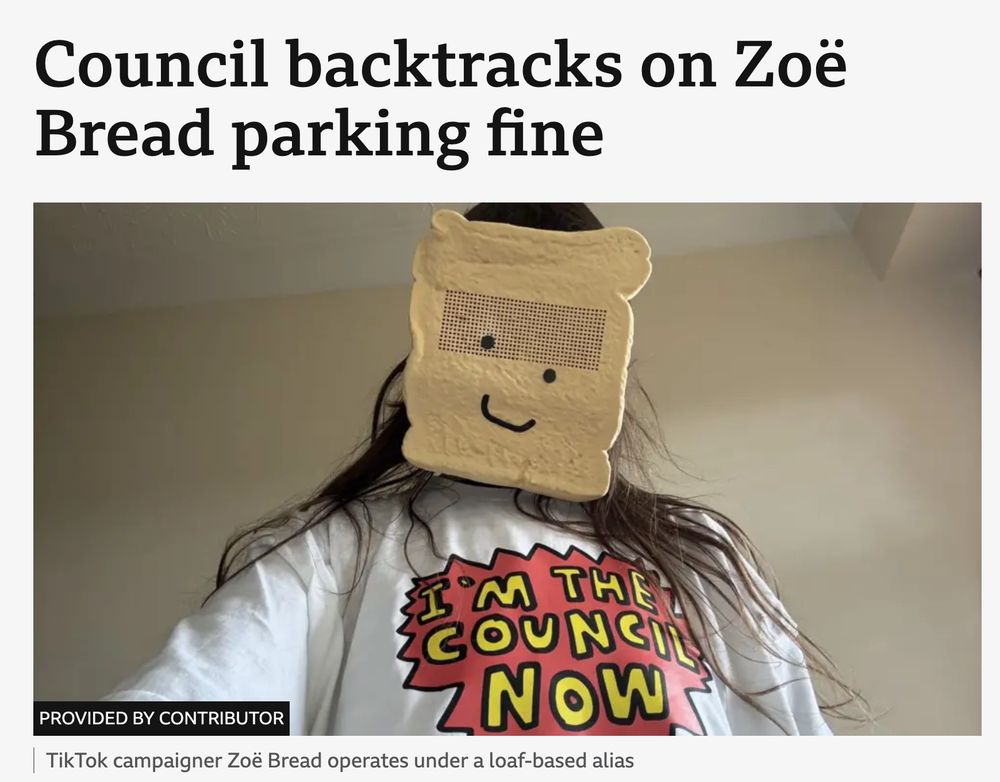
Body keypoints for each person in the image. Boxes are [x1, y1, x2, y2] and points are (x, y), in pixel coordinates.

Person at [106, 203, 862, 735]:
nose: (517, 380)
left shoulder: (697, 549)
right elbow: (193, 699)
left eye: (561, 348)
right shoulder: (338, 548)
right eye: (489, 339)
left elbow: (792, 738)